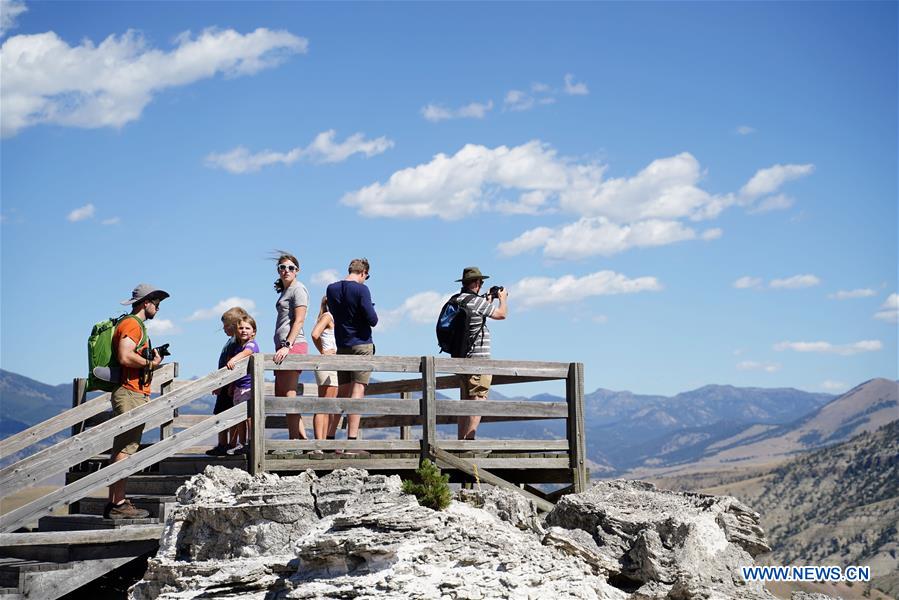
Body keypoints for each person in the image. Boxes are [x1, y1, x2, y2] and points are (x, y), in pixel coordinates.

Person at [105, 283, 169, 519]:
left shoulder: (131, 324)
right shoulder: (132, 324)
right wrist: (151, 363)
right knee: (127, 447)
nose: (158, 308)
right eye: (156, 304)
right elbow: (125, 356)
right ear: (146, 303)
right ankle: (118, 503)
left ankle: (115, 503)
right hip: (131, 392)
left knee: (123, 447)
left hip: (130, 391)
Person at [326, 258, 378, 457]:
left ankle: (330, 439)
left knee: (342, 393)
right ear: (363, 272)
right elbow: (372, 319)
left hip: (342, 345)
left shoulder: (331, 289)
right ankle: (352, 442)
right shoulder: (361, 290)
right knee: (358, 391)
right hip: (361, 345)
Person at [452, 267, 508, 441]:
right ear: (476, 283)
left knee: (466, 402)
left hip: (462, 358)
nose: (481, 285)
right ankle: (469, 441)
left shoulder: (457, 300)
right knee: (479, 398)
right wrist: (503, 299)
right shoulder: (477, 302)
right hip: (479, 360)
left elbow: (475, 316)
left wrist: (488, 299)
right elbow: (501, 314)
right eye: (481, 282)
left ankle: (461, 441)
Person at [272, 252, 310, 448]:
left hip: (293, 346)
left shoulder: (298, 289)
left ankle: (294, 442)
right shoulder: (285, 291)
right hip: (283, 347)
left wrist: (288, 345)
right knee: (283, 394)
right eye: (282, 267)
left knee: (289, 395)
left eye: (290, 268)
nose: (286, 271)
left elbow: (299, 320)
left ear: (297, 271)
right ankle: (303, 441)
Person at [206, 307, 250, 457]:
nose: (224, 329)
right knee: (221, 413)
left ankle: (229, 444)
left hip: (229, 383)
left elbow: (232, 363)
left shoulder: (236, 343)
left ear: (235, 325)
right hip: (225, 382)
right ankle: (223, 444)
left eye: (226, 326)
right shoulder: (231, 342)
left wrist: (225, 384)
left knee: (227, 414)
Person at [224, 315, 260, 455]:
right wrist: (232, 385)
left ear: (253, 332)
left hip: (249, 387)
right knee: (240, 417)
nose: (244, 330)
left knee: (249, 416)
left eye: (247, 328)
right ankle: (242, 443)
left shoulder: (251, 345)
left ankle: (251, 442)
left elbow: (248, 352)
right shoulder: (237, 348)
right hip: (239, 387)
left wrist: (233, 359)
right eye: (241, 328)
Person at [310, 296, 340, 459]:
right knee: (323, 404)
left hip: (332, 364)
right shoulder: (327, 316)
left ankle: (324, 444)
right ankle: (319, 444)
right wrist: (323, 351)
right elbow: (315, 334)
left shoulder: (333, 317)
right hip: (327, 364)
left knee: (328, 405)